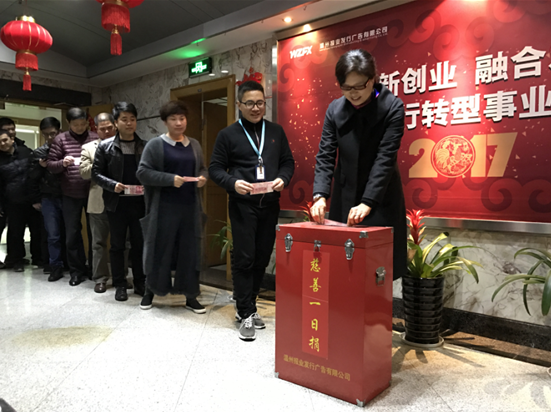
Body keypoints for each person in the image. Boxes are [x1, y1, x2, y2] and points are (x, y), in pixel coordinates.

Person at [209, 81, 295, 341]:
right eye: (249, 103)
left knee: (261, 257)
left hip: (269, 203)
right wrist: (233, 183)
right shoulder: (227, 135)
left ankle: (251, 304)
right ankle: (244, 311)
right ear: (239, 105)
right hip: (243, 205)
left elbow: (287, 162)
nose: (256, 108)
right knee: (245, 257)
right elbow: (215, 169)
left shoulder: (276, 131)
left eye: (260, 103)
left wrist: (283, 178)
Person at [311, 49, 407, 281]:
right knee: (343, 270)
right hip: (345, 194)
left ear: (372, 80)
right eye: (346, 87)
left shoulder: (392, 107)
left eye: (359, 86)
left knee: (377, 271)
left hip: (380, 196)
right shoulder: (335, 109)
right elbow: (325, 154)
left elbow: (385, 158)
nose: (352, 94)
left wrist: (368, 201)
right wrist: (320, 195)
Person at [136, 100, 207, 313]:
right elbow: (142, 173)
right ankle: (150, 292)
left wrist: (203, 177)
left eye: (182, 118)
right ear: (165, 122)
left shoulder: (194, 145)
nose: (178, 123)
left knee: (190, 252)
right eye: (173, 119)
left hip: (190, 208)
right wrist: (169, 179)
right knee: (159, 250)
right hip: (163, 209)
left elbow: (203, 168)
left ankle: (190, 295)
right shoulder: (155, 144)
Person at [92, 102, 146, 301]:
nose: (129, 123)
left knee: (139, 245)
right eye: (124, 119)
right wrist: (112, 184)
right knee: (117, 246)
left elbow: (152, 171)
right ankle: (120, 285)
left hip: (141, 203)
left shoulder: (145, 145)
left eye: (132, 119)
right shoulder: (105, 146)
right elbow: (96, 173)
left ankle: (140, 282)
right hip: (116, 203)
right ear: (116, 122)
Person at [47, 108, 98, 286]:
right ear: (69, 123)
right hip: (70, 193)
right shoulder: (60, 139)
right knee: (72, 234)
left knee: (95, 233)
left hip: (93, 192)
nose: (80, 127)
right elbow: (50, 165)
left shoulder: (94, 138)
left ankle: (94, 269)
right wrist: (63, 163)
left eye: (83, 124)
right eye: (76, 124)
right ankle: (76, 271)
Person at [80, 113, 116, 293]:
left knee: (122, 243)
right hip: (98, 201)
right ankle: (100, 278)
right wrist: (101, 162)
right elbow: (84, 173)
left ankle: (120, 276)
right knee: (98, 243)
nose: (107, 131)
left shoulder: (124, 145)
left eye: (110, 128)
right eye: (103, 129)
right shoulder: (88, 148)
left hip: (121, 201)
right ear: (96, 129)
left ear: (115, 126)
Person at [30, 117, 68, 281]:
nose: (50, 137)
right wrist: (40, 167)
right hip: (48, 197)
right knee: (52, 235)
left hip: (68, 196)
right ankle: (55, 266)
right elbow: (31, 178)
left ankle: (72, 265)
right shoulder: (39, 153)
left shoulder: (67, 148)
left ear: (59, 131)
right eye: (46, 134)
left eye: (53, 133)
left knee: (71, 233)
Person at [0, 129, 42, 272]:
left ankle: (38, 258)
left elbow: (35, 173)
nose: (2, 144)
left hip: (32, 199)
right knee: (15, 233)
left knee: (37, 230)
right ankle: (17, 260)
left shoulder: (26, 152)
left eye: (5, 140)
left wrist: (37, 197)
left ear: (11, 139)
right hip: (12, 201)